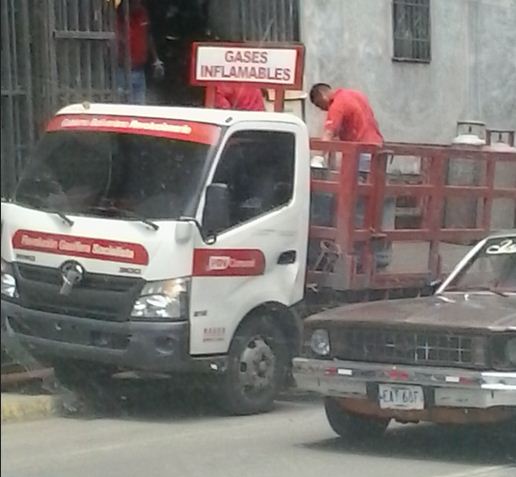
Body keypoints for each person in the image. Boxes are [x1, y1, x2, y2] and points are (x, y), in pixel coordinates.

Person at [310, 82, 394, 269]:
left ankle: (354, 254)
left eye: (320, 106)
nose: (324, 110)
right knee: (374, 201)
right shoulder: (356, 95)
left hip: (361, 153)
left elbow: (329, 133)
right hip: (377, 149)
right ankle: (375, 254)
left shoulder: (337, 104)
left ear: (321, 97)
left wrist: (318, 157)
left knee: (356, 203)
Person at [116, 0, 164, 104]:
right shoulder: (119, 17)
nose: (139, 4)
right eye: (136, 2)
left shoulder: (142, 13)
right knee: (122, 106)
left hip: (139, 70)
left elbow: (148, 36)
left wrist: (156, 60)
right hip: (122, 70)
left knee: (139, 105)